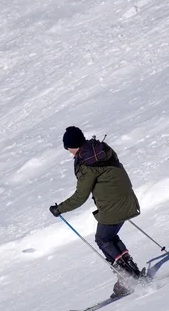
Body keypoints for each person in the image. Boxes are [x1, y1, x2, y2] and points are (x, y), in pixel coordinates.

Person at [49, 126, 145, 297]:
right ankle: (131, 271)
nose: (69, 152)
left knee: (102, 239)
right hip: (127, 198)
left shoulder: (86, 164)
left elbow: (80, 196)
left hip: (112, 205)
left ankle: (128, 277)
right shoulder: (101, 149)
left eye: (68, 148)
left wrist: (59, 209)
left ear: (71, 146)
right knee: (109, 237)